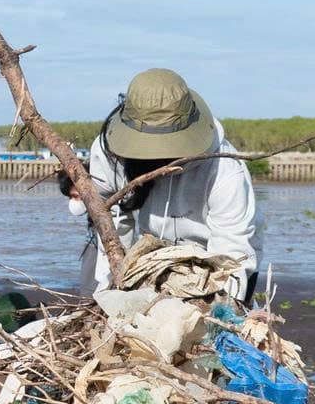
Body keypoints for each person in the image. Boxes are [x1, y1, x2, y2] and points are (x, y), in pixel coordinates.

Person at [75, 69, 265, 297]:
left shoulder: (224, 168)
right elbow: (111, 219)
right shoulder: (110, 153)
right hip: (154, 257)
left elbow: (232, 254)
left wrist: (222, 311)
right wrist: (111, 287)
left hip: (215, 257)